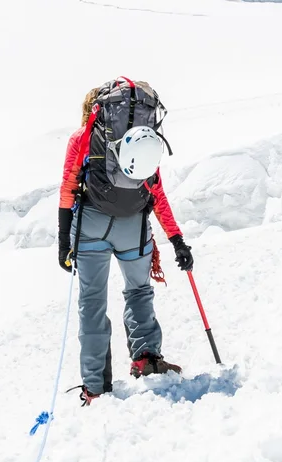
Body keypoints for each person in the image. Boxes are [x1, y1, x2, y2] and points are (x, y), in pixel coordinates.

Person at [58, 86, 194, 405]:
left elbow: (67, 187)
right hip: (134, 227)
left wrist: (64, 242)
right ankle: (146, 359)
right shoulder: (138, 141)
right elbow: (156, 193)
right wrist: (177, 240)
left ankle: (95, 387)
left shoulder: (84, 137)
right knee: (139, 291)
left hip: (91, 225)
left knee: (92, 302)